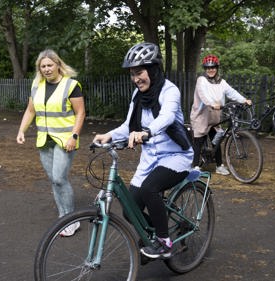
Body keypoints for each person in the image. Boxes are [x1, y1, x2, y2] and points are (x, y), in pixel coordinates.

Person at [92, 42, 193, 259]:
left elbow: (166, 118)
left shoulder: (169, 90)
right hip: (150, 160)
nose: (136, 79)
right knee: (130, 210)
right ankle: (155, 233)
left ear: (153, 70)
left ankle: (165, 243)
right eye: (132, 74)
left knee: (149, 189)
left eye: (140, 72)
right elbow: (128, 126)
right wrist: (108, 135)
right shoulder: (137, 97)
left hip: (176, 157)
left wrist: (146, 132)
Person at [16, 49, 85, 237]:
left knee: (59, 178)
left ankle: (72, 220)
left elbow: (80, 113)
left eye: (49, 65)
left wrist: (74, 136)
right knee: (53, 181)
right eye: (43, 66)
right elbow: (30, 111)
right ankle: (63, 215)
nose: (46, 69)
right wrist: (22, 130)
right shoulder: (37, 85)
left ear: (58, 65)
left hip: (65, 139)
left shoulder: (71, 85)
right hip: (44, 139)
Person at [190, 54, 252, 175]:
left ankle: (219, 165)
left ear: (217, 67)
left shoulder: (221, 82)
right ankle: (195, 167)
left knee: (217, 140)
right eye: (208, 68)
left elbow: (231, 92)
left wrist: (244, 100)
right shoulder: (201, 80)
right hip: (201, 116)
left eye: (213, 67)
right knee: (199, 140)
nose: (211, 70)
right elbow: (203, 95)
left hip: (214, 117)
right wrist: (212, 103)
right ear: (205, 69)